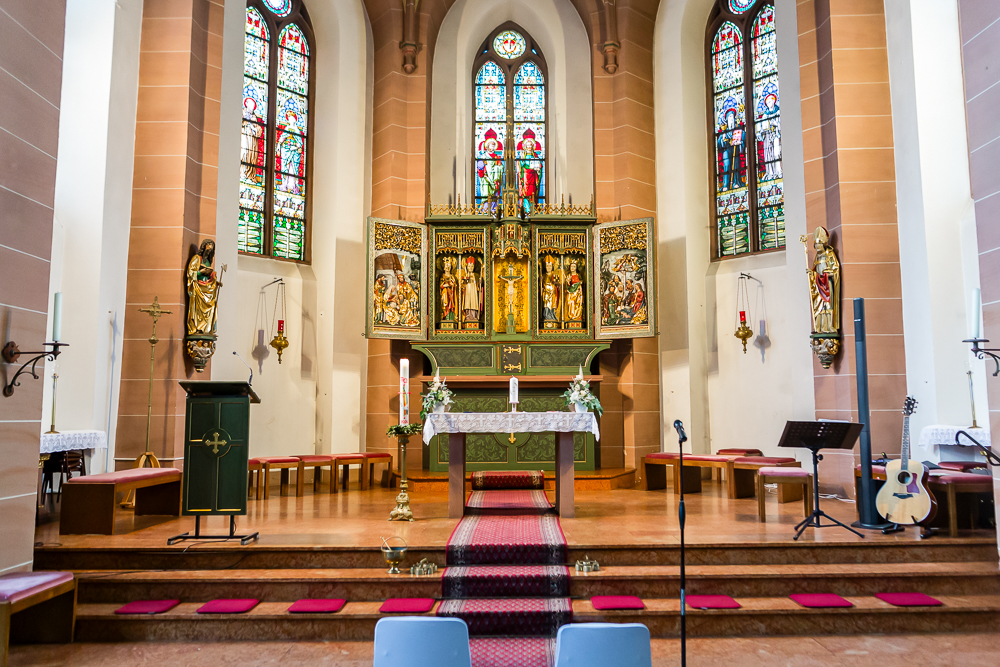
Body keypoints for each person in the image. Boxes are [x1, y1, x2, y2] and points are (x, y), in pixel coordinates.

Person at [186, 240, 221, 336]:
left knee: (212, 306)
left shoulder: (209, 262)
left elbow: (210, 277)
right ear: (203, 247)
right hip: (198, 288)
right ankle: (198, 328)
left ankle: (207, 329)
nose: (209, 250)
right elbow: (190, 273)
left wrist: (216, 282)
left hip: (208, 289)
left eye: (211, 249)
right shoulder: (197, 258)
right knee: (198, 309)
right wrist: (200, 272)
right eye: (208, 247)